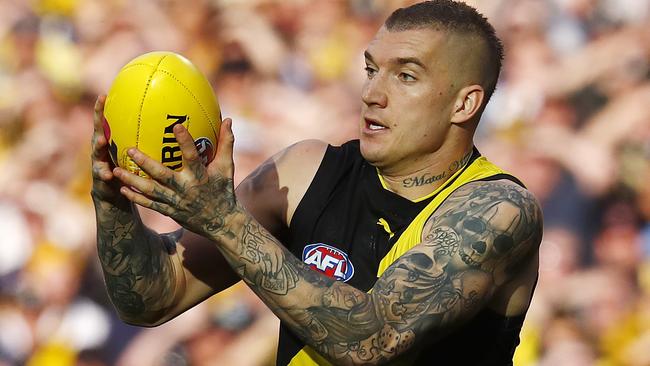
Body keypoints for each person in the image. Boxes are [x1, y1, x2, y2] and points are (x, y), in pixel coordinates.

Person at [91, 1, 543, 365]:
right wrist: (112, 197)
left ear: (464, 104)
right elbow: (150, 297)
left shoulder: (497, 209)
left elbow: (371, 341)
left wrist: (225, 221)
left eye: (405, 76)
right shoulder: (304, 171)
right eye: (371, 70)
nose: (372, 93)